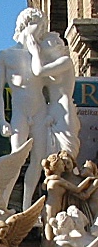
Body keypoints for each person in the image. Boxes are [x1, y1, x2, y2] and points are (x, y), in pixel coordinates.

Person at [0, 8, 50, 210]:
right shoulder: (5, 55)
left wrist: (37, 54)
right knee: (15, 159)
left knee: (38, 160)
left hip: (41, 113)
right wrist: (2, 120)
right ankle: (3, 204)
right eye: (38, 27)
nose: (40, 32)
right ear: (25, 25)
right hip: (20, 114)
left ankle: (26, 207)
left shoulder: (42, 55)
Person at [28, 30, 79, 160]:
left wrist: (35, 52)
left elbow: (38, 71)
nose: (41, 44)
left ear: (57, 44)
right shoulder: (51, 66)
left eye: (46, 40)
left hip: (64, 108)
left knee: (66, 153)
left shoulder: (65, 61)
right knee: (51, 153)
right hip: (51, 109)